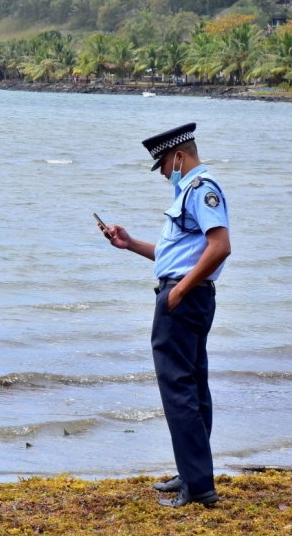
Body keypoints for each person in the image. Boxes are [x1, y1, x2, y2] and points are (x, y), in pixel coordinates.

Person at [98, 122, 231, 508]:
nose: (161, 173)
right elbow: (178, 256)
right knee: (192, 386)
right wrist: (130, 244)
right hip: (186, 293)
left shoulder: (201, 189)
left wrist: (180, 292)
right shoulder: (187, 190)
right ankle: (192, 472)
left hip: (183, 298)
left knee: (178, 391)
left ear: (178, 156)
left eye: (162, 165)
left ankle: (199, 487)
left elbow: (220, 247)